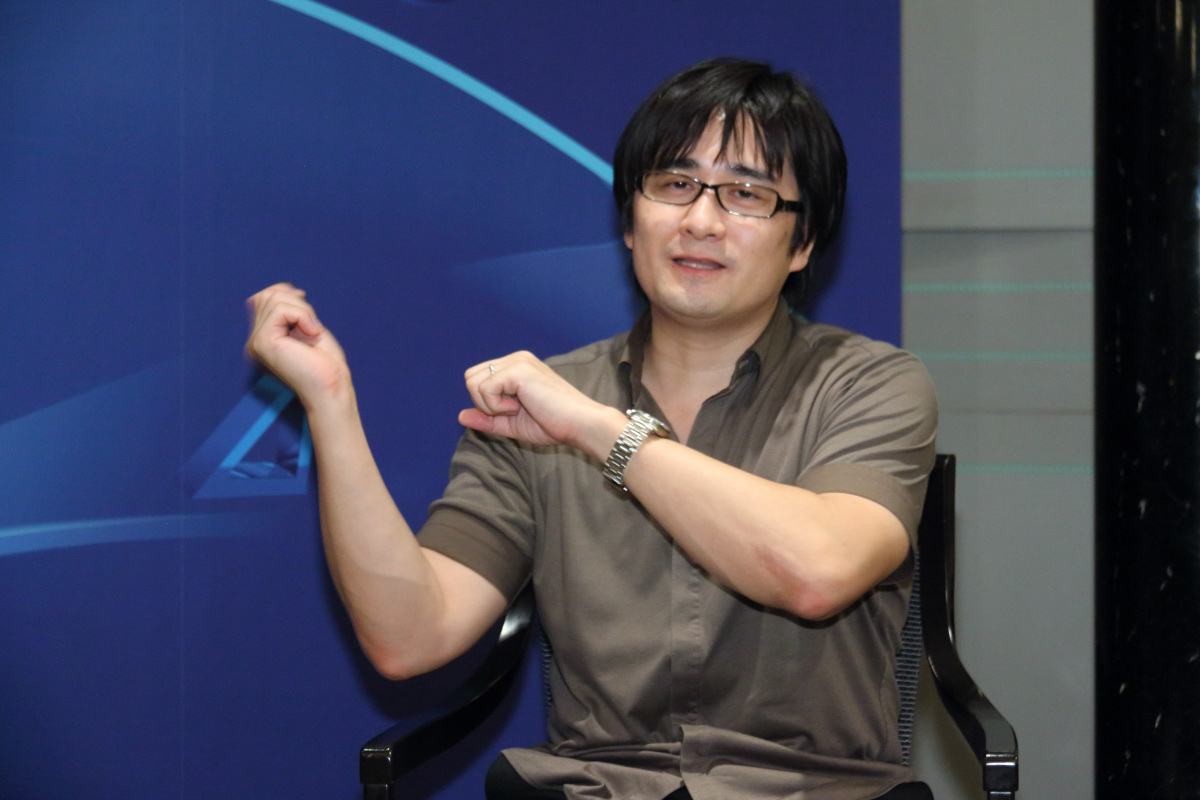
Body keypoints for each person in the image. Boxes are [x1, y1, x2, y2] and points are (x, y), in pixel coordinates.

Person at [245, 58, 937, 800]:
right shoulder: (544, 400)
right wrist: (331, 404)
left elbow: (817, 572)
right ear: (631, 223)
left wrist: (602, 433)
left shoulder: (870, 383)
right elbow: (410, 636)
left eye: (746, 194)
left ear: (803, 244)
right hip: (597, 787)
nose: (701, 221)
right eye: (675, 184)